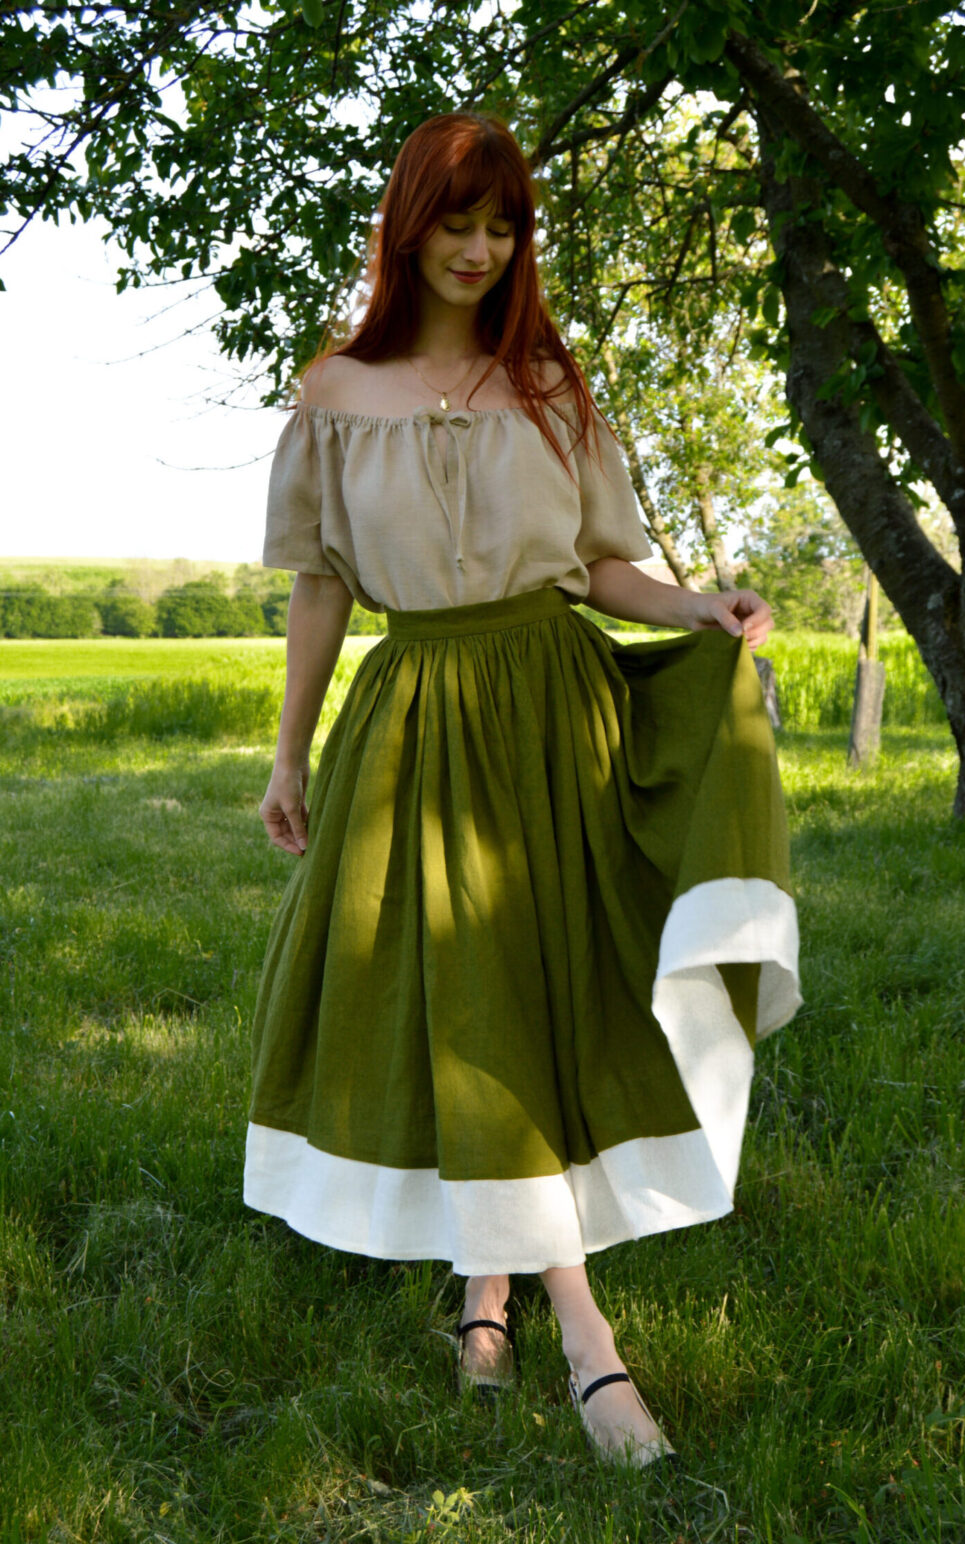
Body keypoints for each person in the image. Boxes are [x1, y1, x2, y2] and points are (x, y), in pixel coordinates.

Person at [244, 112, 800, 1468]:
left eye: (503, 229)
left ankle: (500, 1299)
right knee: (461, 993)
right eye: (458, 223)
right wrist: (288, 749)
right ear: (408, 224)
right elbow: (322, 588)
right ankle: (581, 1335)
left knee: (540, 993)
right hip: (420, 720)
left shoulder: (547, 380)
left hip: (558, 711)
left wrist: (700, 608)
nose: (481, 251)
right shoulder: (333, 394)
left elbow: (604, 569)